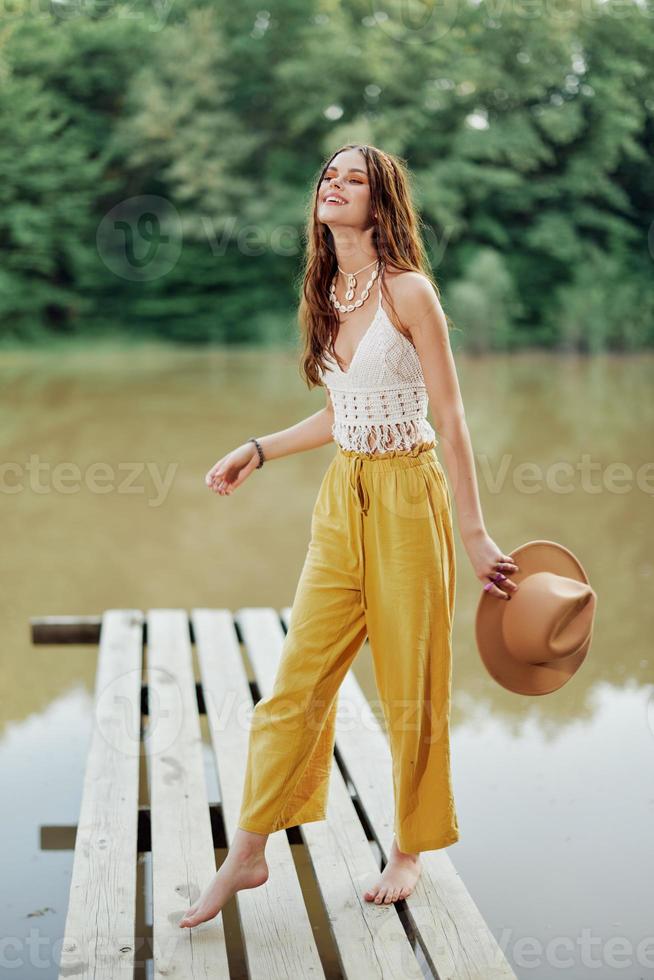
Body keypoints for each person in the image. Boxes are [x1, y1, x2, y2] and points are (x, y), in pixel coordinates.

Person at [180, 143, 519, 929]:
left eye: (352, 177)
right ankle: (250, 851)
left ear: (382, 201)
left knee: (412, 684)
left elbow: (453, 418)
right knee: (296, 681)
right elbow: (340, 417)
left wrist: (473, 534)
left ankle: (409, 847)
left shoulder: (410, 292)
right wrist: (259, 450)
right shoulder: (327, 291)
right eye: (327, 175)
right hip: (345, 499)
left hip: (410, 496)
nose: (332, 184)